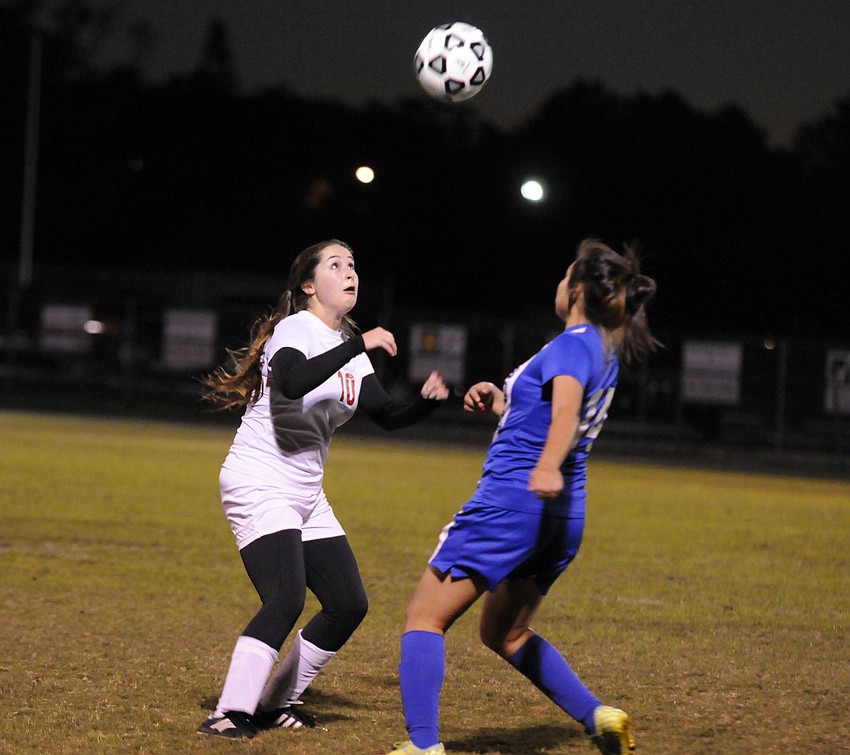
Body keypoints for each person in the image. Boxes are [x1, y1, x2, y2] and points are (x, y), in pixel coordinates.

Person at [387, 239, 658, 755]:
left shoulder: (572, 345)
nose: (558, 286)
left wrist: (548, 465)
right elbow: (545, 415)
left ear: (576, 290)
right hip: (561, 516)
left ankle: (423, 747)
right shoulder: (601, 350)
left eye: (563, 278)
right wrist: (502, 402)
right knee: (505, 633)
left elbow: (564, 416)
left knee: (425, 617)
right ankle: (598, 716)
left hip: (513, 503)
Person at [197, 239, 449, 739]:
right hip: (259, 479)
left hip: (305, 491)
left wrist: (429, 401)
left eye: (353, 264)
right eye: (336, 265)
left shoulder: (348, 345)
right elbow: (290, 382)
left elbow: (388, 417)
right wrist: (356, 344)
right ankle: (229, 712)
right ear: (309, 286)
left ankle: (273, 704)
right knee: (285, 599)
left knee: (348, 603)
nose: (350, 272)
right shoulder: (296, 329)